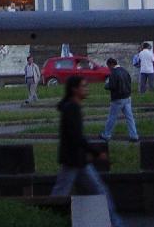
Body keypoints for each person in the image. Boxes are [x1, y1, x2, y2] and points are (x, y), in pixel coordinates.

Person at [51, 76, 123, 227]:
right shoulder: (72, 108)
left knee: (66, 193)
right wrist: (96, 152)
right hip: (74, 160)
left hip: (76, 160)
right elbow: (77, 137)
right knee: (96, 192)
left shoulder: (71, 107)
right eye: (83, 86)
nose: (86, 89)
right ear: (74, 89)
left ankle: (115, 223)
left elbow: (76, 137)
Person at [100, 58, 139, 143]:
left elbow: (112, 86)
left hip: (118, 98)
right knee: (130, 118)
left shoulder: (114, 73)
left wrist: (106, 85)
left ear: (111, 64)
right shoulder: (124, 70)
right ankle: (134, 135)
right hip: (127, 97)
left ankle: (106, 135)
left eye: (108, 66)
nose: (108, 68)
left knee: (112, 117)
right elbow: (129, 81)